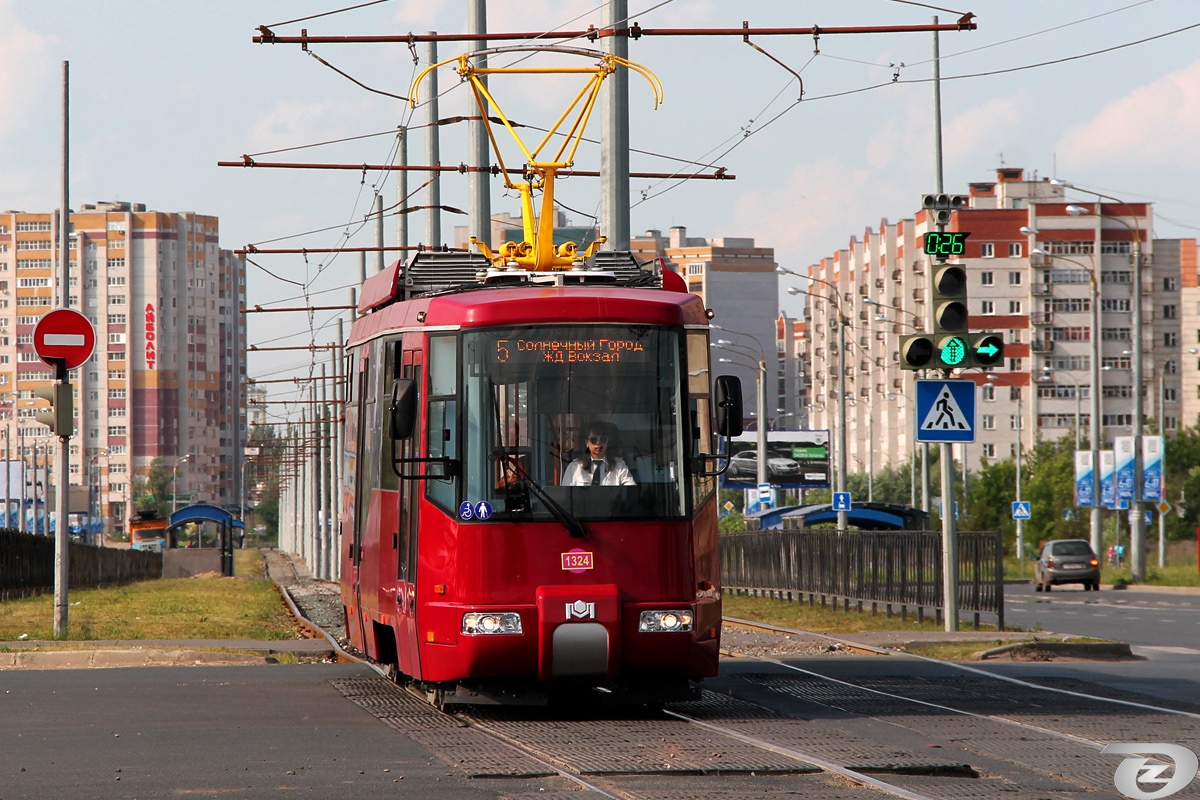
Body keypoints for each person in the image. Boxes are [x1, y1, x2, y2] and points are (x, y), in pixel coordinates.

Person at [561, 421, 637, 486]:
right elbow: (566, 494)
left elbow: (631, 490)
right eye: (594, 440)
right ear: (586, 442)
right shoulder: (574, 467)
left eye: (603, 439)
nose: (598, 443)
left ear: (608, 442)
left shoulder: (620, 466)